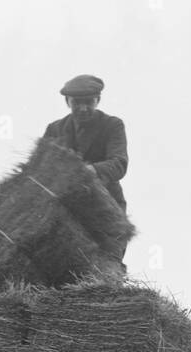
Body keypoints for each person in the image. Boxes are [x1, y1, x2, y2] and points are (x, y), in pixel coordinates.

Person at [43, 73, 130, 255]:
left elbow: (119, 163)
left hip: (106, 207)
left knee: (108, 260)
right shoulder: (54, 129)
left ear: (98, 100)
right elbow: (43, 169)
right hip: (69, 210)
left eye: (89, 102)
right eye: (76, 102)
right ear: (67, 102)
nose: (83, 108)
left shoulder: (112, 125)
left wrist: (88, 171)